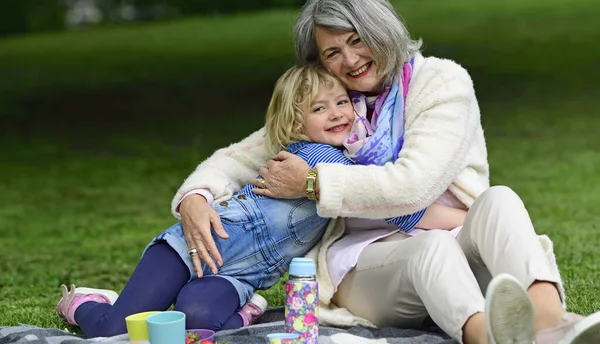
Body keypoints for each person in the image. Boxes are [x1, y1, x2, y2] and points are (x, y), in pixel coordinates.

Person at [173, 0, 600, 344]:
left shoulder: (440, 82)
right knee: (429, 249)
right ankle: (489, 336)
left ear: (383, 31)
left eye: (357, 40)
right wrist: (195, 195)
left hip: (456, 237)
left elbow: (411, 186)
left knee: (501, 199)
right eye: (332, 53)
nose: (350, 60)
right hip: (366, 266)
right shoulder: (329, 107)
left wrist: (314, 183)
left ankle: (552, 324)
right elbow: (236, 160)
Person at [56, 64, 465, 338]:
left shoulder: (344, 168)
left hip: (239, 276)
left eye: (342, 102)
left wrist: (462, 215)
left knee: (198, 327)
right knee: (114, 331)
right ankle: (81, 304)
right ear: (294, 122)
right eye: (319, 108)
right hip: (192, 247)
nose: (337, 113)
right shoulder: (318, 157)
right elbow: (404, 208)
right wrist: (466, 216)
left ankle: (247, 308)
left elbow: (397, 205)